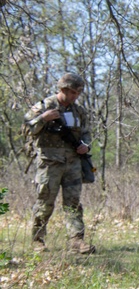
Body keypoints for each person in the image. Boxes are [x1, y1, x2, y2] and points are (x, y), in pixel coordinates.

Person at [24, 72, 96, 254]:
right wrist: (43, 119)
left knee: (73, 202)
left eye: (78, 93)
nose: (75, 96)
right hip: (49, 163)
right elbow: (27, 128)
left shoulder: (78, 111)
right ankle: (37, 240)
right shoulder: (44, 106)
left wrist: (85, 146)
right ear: (63, 89)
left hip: (73, 163)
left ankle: (77, 241)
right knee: (45, 201)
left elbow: (86, 132)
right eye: (73, 92)